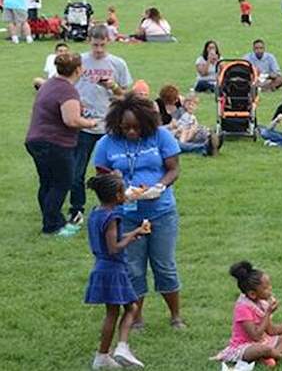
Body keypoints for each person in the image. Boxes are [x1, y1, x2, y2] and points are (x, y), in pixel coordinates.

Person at [92, 93, 184, 330]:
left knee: (164, 264)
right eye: (126, 128)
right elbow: (101, 177)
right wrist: (116, 182)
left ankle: (175, 316)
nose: (132, 132)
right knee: (132, 267)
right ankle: (136, 317)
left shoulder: (161, 136)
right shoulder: (106, 143)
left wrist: (160, 186)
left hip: (161, 210)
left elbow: (173, 169)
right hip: (126, 214)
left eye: (136, 128)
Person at [84, 173, 150, 369]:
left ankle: (105, 354)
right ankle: (119, 348)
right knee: (130, 308)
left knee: (115, 311)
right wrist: (131, 238)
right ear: (116, 196)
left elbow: (109, 241)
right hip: (113, 269)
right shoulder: (113, 217)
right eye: (122, 191)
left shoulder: (96, 213)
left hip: (101, 267)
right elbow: (114, 247)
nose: (125, 193)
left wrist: (135, 232)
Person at [27, 52, 98, 236]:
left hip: (35, 140)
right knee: (62, 182)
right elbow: (71, 120)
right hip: (55, 143)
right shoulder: (68, 90)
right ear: (77, 70)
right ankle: (52, 226)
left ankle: (52, 220)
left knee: (47, 183)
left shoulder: (49, 84)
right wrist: (90, 123)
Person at [73, 25, 132, 226]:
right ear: (89, 41)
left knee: (115, 169)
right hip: (84, 124)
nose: (98, 49)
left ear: (108, 41)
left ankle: (117, 204)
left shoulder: (118, 63)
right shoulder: (79, 61)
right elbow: (68, 86)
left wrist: (112, 86)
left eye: (102, 45)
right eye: (95, 44)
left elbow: (126, 95)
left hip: (109, 124)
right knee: (77, 170)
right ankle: (77, 208)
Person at [216, 261, 282, 366]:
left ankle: (271, 356)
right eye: (265, 288)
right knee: (263, 349)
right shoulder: (243, 308)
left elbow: (272, 331)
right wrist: (268, 313)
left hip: (265, 342)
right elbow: (255, 336)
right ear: (252, 294)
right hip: (246, 347)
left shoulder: (261, 303)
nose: (270, 289)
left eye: (269, 285)